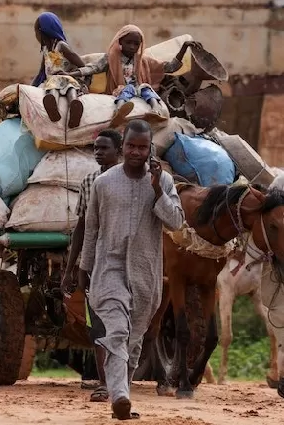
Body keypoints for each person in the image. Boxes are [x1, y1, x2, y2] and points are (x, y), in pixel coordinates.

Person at [78, 119, 184, 420]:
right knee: (117, 331)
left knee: (133, 340)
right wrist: (84, 267)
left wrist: (157, 190)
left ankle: (122, 392)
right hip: (108, 269)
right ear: (122, 147)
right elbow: (91, 229)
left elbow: (177, 222)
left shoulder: (162, 181)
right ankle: (120, 395)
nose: (136, 152)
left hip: (146, 274)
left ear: (150, 150)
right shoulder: (103, 183)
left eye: (143, 147)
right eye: (131, 146)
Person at [61, 129, 122, 402]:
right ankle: (104, 383)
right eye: (95, 148)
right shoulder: (89, 182)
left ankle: (121, 382)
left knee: (124, 325)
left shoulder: (134, 180)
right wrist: (71, 268)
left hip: (126, 261)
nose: (98, 152)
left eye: (104, 148)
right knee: (97, 324)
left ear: (119, 151)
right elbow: (82, 227)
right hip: (96, 262)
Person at [68, 25, 202, 126]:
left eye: (136, 44)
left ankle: (156, 111)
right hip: (120, 90)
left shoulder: (144, 60)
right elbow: (93, 68)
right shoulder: (110, 58)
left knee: (147, 89)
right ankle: (119, 112)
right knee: (127, 90)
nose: (132, 46)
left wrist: (184, 48)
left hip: (139, 90)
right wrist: (71, 73)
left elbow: (171, 67)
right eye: (128, 42)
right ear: (120, 42)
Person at [31, 12, 89, 129]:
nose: (35, 35)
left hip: (68, 78)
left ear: (42, 31)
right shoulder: (46, 50)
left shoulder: (61, 46)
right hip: (52, 81)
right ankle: (53, 109)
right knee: (52, 87)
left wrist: (70, 75)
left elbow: (82, 65)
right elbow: (41, 72)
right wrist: (30, 87)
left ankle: (75, 107)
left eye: (36, 32)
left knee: (69, 88)